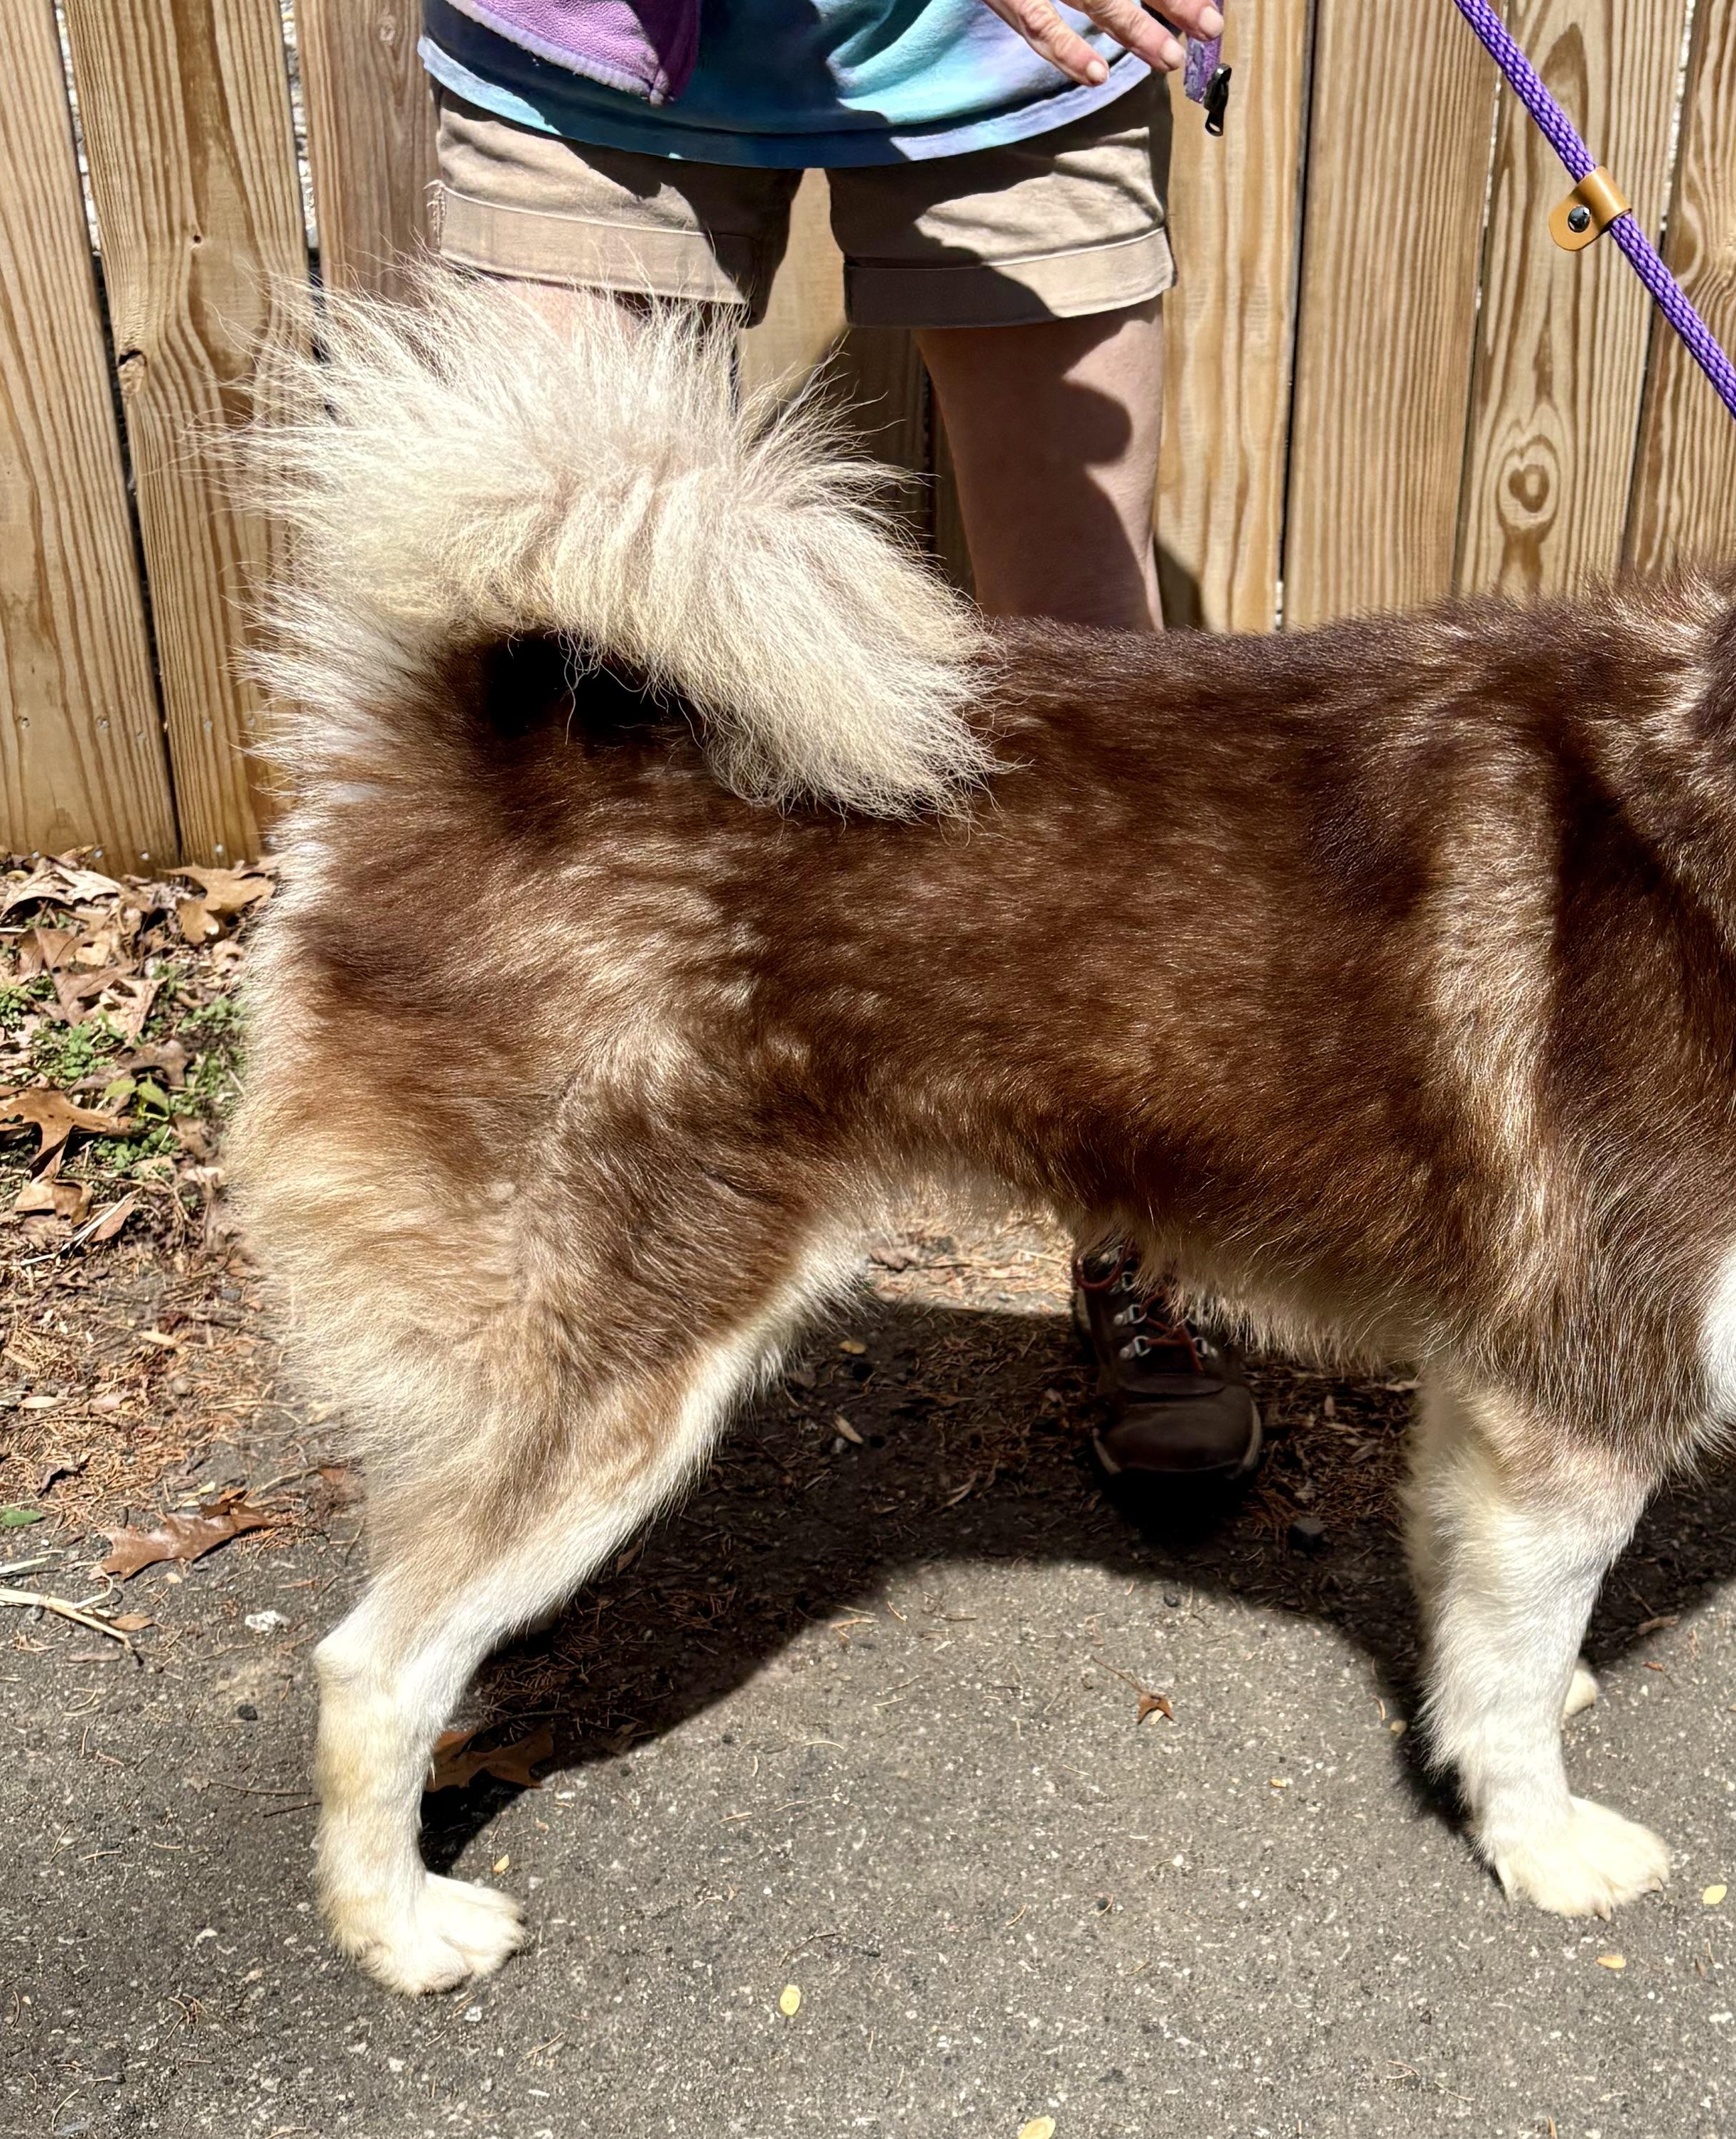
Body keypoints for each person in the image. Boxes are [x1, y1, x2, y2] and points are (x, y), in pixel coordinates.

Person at [416, 0, 1263, 1500]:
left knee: (1101, 706)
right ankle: (546, 1299)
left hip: (1012, 62)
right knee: (543, 695)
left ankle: (1145, 1227)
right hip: (598, 39)